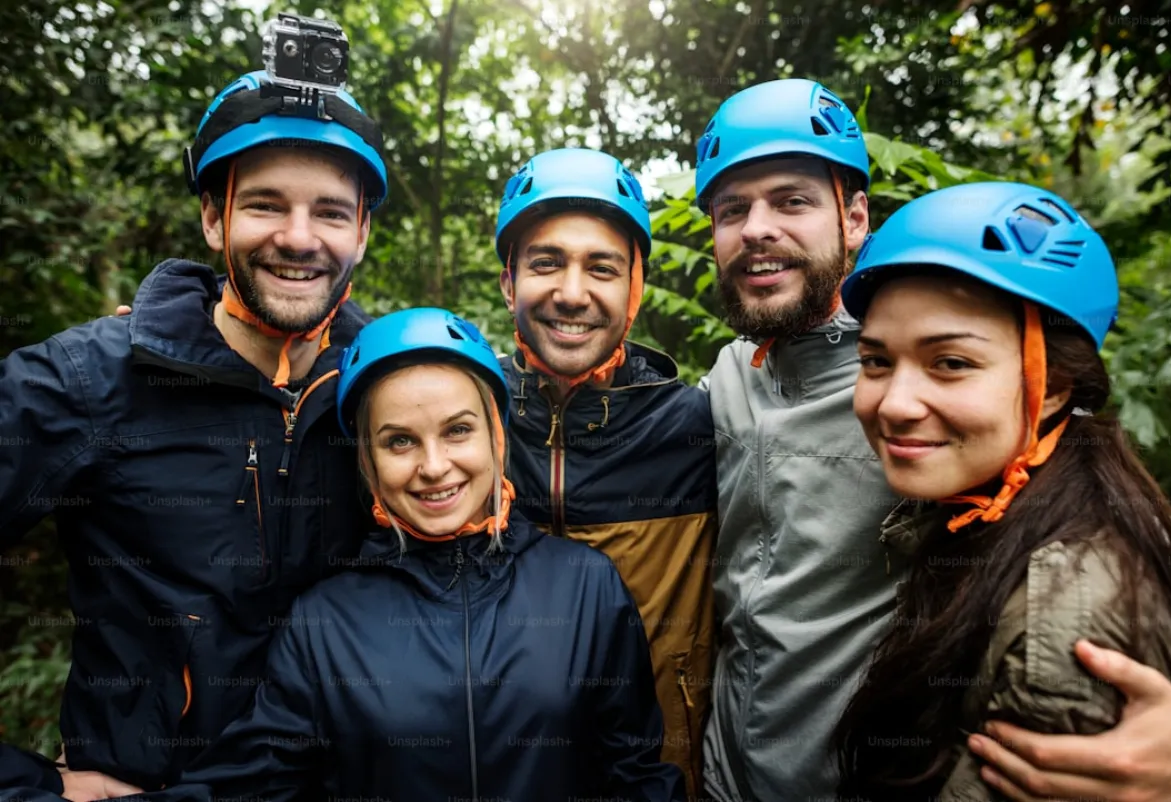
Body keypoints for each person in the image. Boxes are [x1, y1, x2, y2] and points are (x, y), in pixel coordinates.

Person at [694, 78, 1171, 802]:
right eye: (731, 210)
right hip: (726, 779)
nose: (756, 229)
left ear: (855, 216)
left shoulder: (978, 415)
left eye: (792, 200)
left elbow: (1139, 552)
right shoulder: (728, 379)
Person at [0, 62, 387, 798]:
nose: (299, 238)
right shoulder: (93, 379)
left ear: (362, 231)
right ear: (214, 218)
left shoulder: (387, 392)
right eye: (267, 205)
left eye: (331, 212)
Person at [146, 307, 686, 802]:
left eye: (457, 431)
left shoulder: (585, 586)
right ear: (367, 460)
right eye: (400, 441)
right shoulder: (325, 622)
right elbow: (254, 787)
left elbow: (634, 775)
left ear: (496, 437)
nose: (433, 466)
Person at [833, 181, 1171, 799]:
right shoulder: (991, 505)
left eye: (951, 363)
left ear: (1052, 387)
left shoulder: (1067, 615)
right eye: (876, 361)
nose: (894, 404)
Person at [494, 147, 718, 798]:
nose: (571, 292)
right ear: (509, 282)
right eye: (546, 263)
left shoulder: (700, 426)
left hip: (659, 775)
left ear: (635, 287)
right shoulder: (462, 422)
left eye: (601, 268)